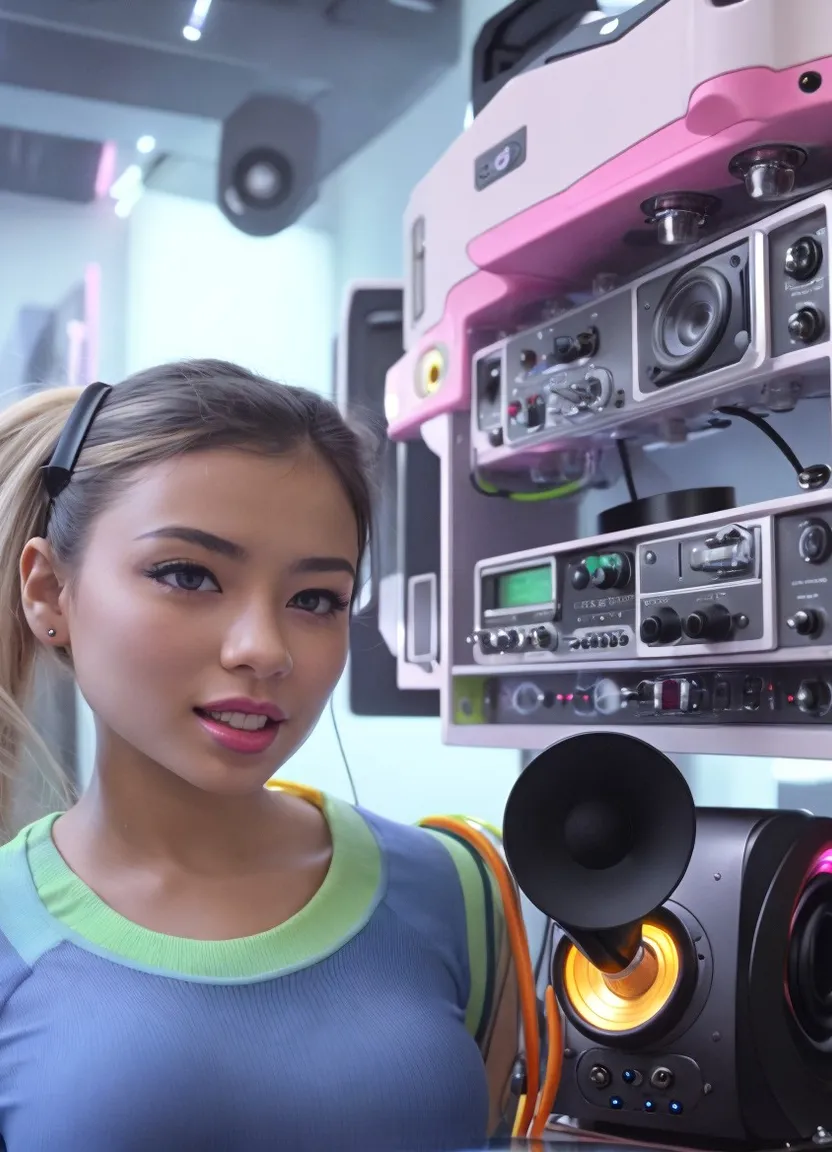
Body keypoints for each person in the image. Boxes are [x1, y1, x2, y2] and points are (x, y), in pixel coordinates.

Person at [0, 360, 518, 1152]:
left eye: (316, 599)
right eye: (187, 574)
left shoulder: (461, 891)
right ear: (48, 593)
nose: (263, 650)